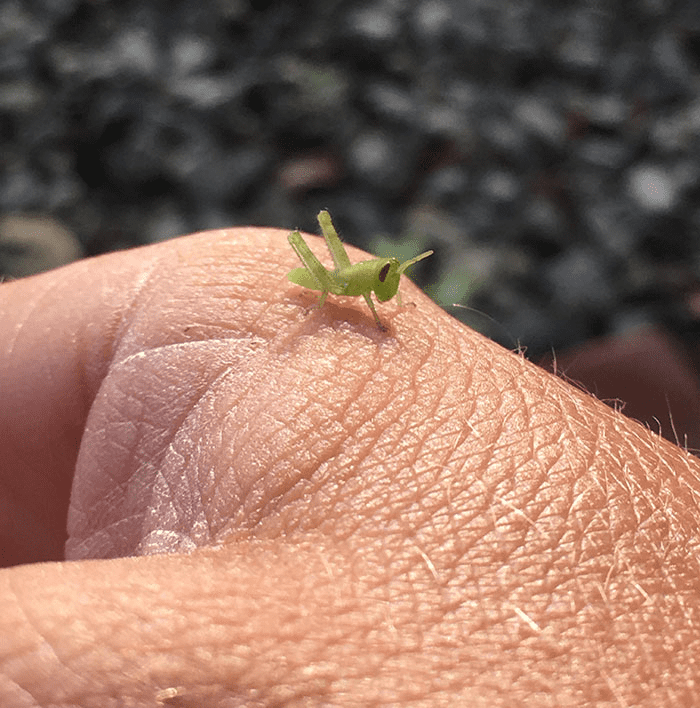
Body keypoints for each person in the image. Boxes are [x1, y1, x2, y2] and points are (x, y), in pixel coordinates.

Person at [1, 224, 698, 706]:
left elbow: (376, 299)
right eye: (390, 276)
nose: (390, 284)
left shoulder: (378, 286)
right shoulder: (352, 285)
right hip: (316, 287)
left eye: (393, 277)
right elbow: (353, 296)